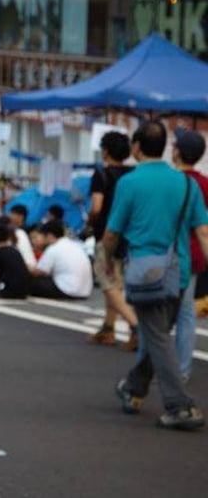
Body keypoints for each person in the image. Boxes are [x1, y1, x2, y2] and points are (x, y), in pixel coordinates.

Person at [103, 121, 207, 430]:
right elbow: (203, 231)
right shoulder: (186, 184)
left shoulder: (130, 183)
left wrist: (107, 261)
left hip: (145, 272)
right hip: (180, 272)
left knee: (157, 338)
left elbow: (112, 232)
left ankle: (181, 405)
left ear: (136, 147)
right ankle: (133, 388)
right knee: (157, 334)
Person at [87, 131, 139, 349]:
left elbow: (96, 207)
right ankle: (108, 328)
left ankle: (136, 327)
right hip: (129, 235)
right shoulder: (133, 173)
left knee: (107, 283)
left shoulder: (101, 174)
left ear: (106, 151)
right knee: (116, 281)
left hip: (107, 233)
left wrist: (90, 219)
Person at [171, 129, 208, 381]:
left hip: (167, 253)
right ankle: (183, 369)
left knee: (156, 315)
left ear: (176, 152)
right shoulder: (205, 184)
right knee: (186, 315)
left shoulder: (171, 182)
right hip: (195, 255)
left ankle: (150, 369)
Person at [28, 220, 92, 300]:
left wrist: (26, 267)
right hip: (84, 291)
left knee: (29, 281)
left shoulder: (53, 248)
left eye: (44, 236)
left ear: (49, 235)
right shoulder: (75, 245)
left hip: (66, 290)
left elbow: (38, 272)